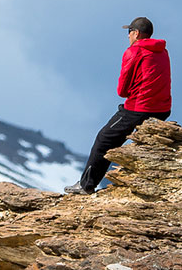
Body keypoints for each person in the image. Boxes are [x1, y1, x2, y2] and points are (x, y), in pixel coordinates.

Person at [65, 17, 171, 194]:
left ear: (136, 33)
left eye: (129, 32)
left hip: (139, 108)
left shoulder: (134, 51)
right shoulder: (162, 51)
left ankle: (86, 186)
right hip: (162, 109)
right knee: (144, 144)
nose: (128, 36)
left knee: (104, 139)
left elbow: (122, 91)